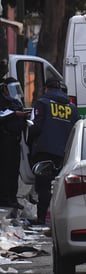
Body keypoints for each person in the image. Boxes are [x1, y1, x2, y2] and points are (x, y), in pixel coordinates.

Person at [28, 77, 79, 225]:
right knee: (61, 187)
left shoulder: (42, 103)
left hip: (44, 150)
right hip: (65, 153)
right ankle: (62, 219)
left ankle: (42, 218)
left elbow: (36, 127)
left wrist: (29, 140)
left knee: (43, 187)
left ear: (46, 89)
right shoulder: (71, 107)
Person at [0, 77, 28, 209]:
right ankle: (5, 198)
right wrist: (14, 114)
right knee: (6, 170)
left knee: (14, 171)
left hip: (16, 139)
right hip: (5, 140)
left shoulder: (16, 102)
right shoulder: (2, 102)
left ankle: (12, 197)